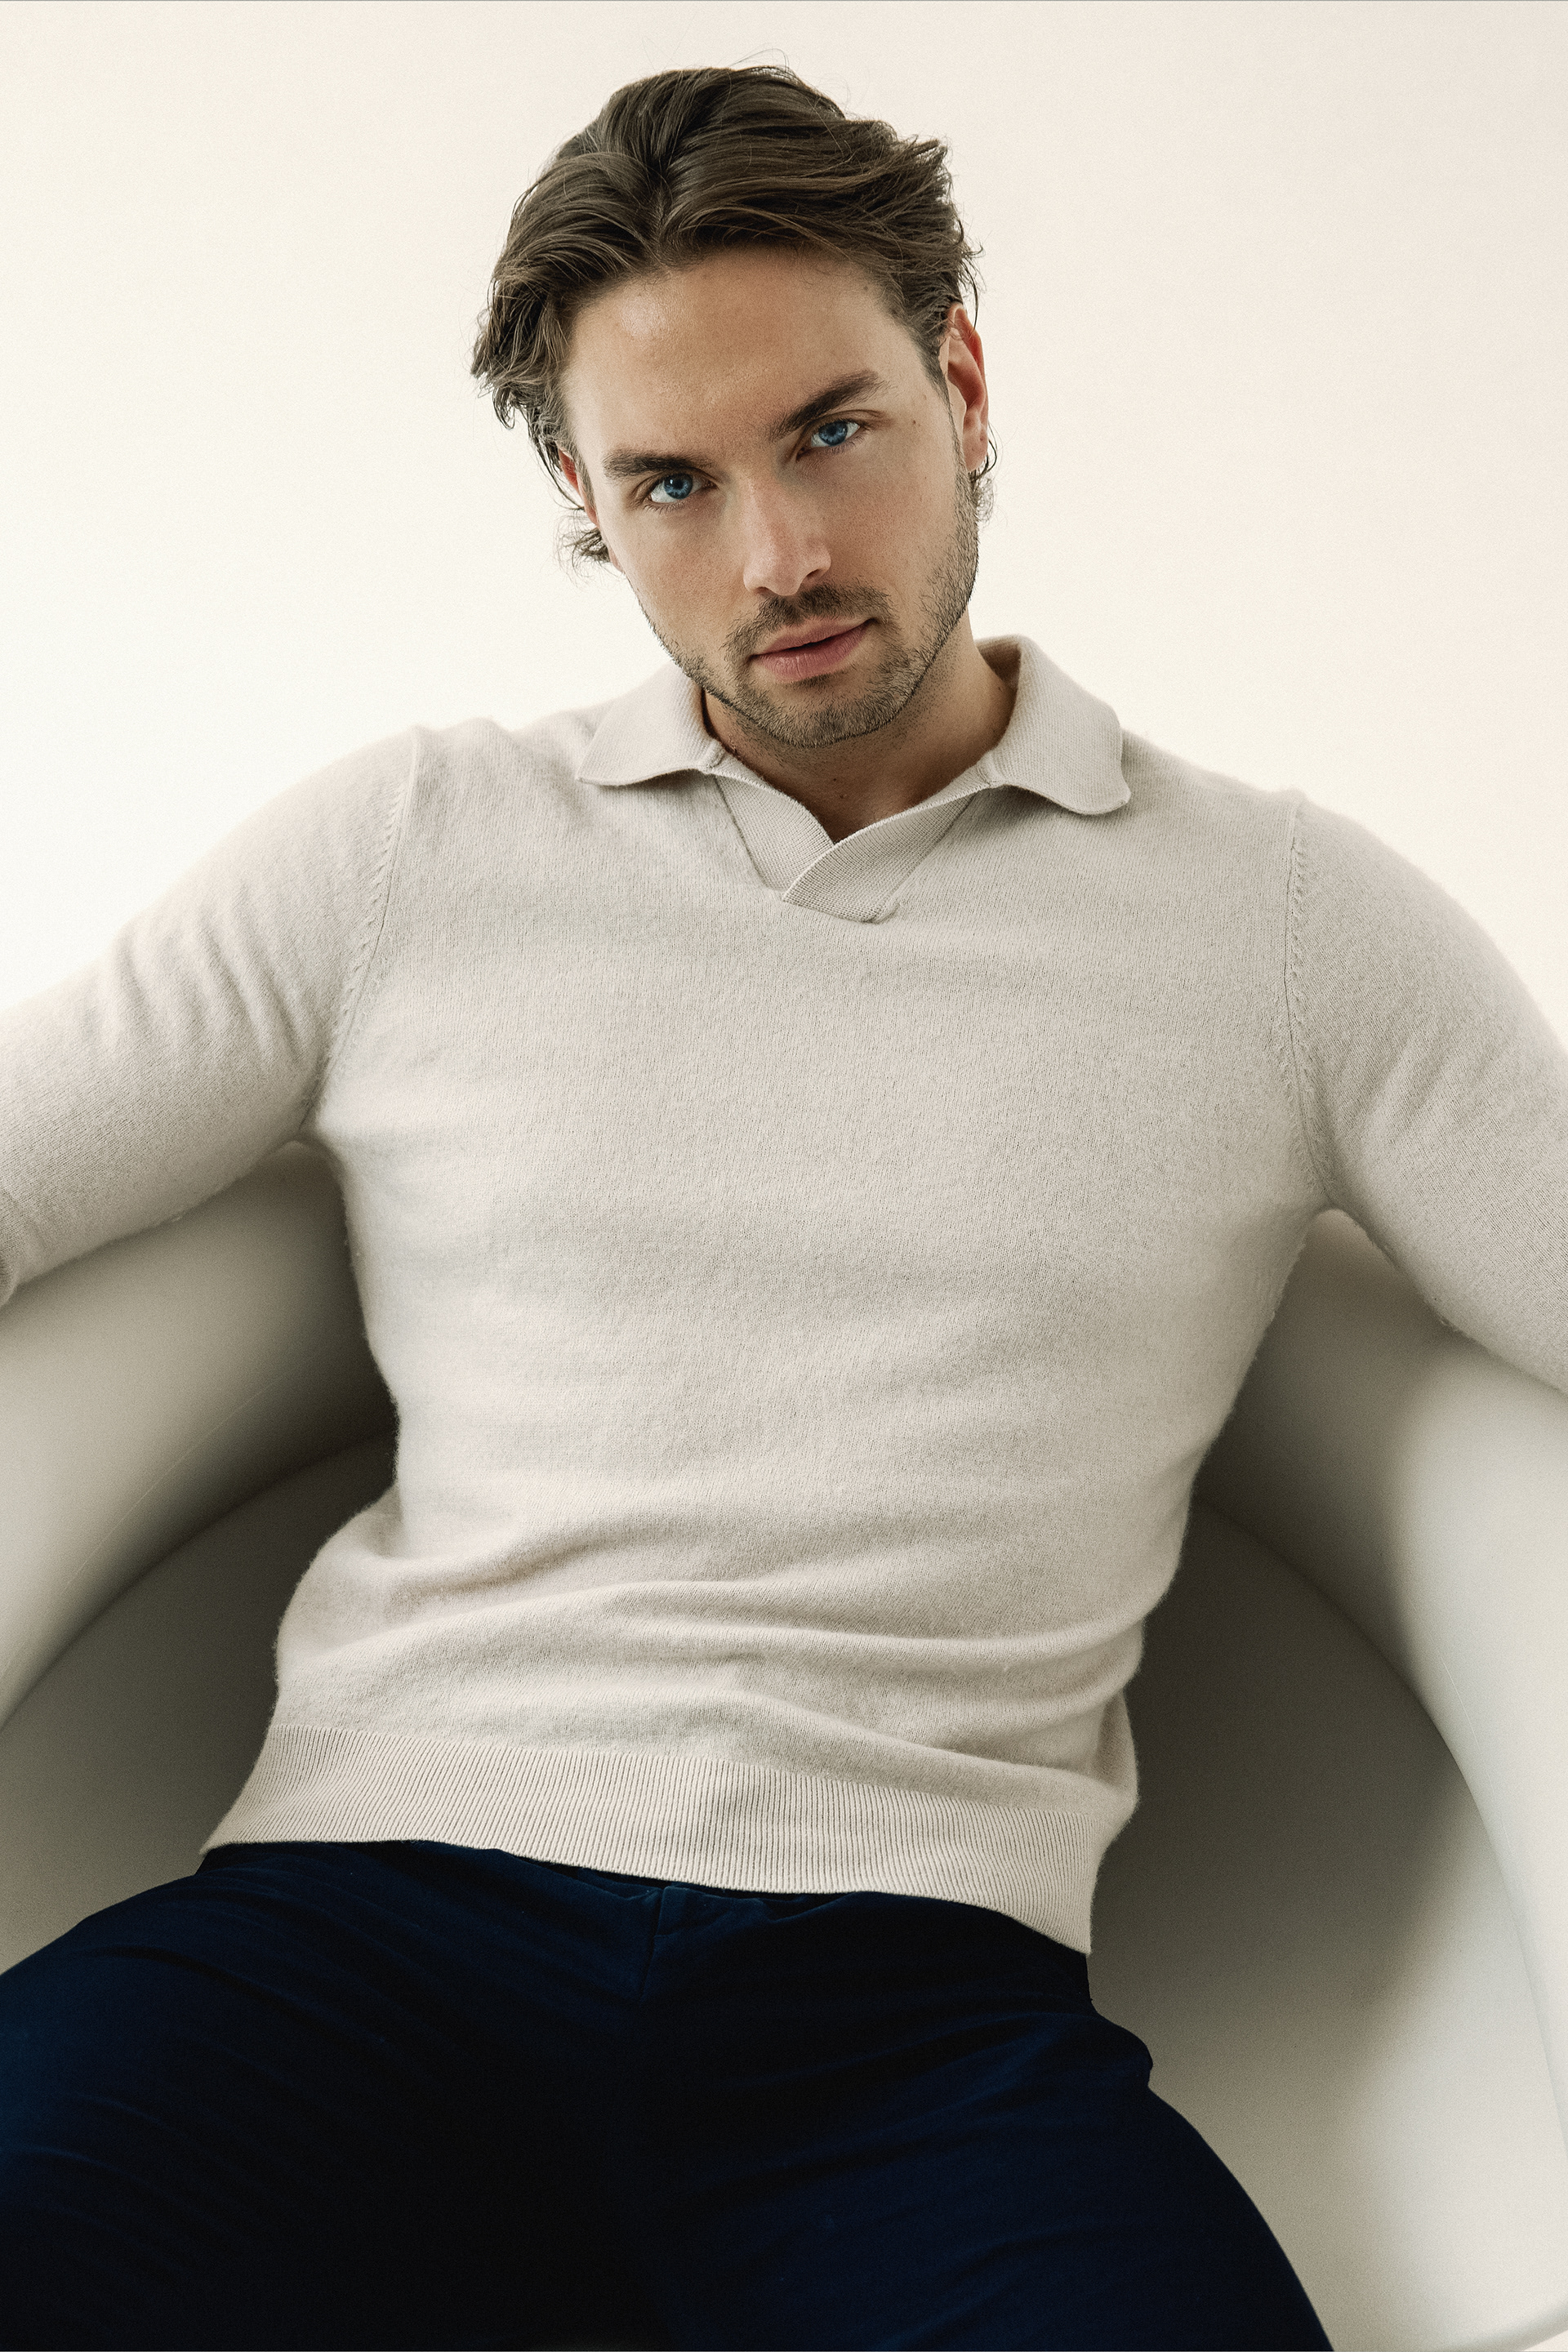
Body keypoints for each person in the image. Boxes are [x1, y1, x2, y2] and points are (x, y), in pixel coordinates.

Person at [0, 60, 1564, 2352]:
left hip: (907, 2013)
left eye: (832, 432)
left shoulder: (1289, 925)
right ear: (582, 498)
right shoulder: (416, 848)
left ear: (963, 384)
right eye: (673, 482)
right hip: (366, 1929)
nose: (781, 559)